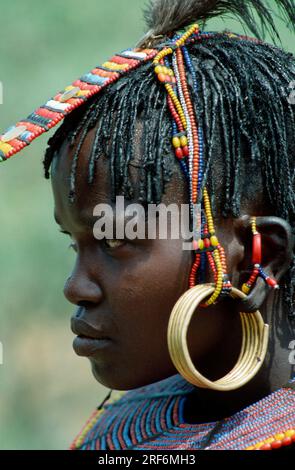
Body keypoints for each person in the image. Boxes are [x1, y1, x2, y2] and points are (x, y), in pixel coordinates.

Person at [0, 0, 295, 451]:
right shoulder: (121, 430)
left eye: (116, 240)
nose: (76, 288)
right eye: (73, 244)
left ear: (259, 254)